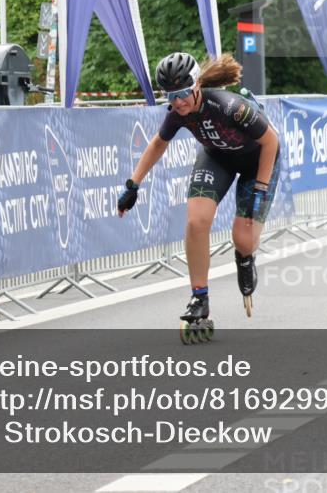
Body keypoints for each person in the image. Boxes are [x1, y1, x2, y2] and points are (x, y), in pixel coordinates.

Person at [117, 52, 281, 342]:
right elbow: (158, 144)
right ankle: (199, 298)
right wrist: (133, 185)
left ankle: (245, 258)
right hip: (217, 158)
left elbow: (271, 141)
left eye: (182, 93)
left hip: (258, 162)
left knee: (243, 239)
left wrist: (261, 187)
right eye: (170, 96)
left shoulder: (229, 106)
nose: (178, 102)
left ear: (196, 86)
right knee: (196, 221)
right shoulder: (177, 113)